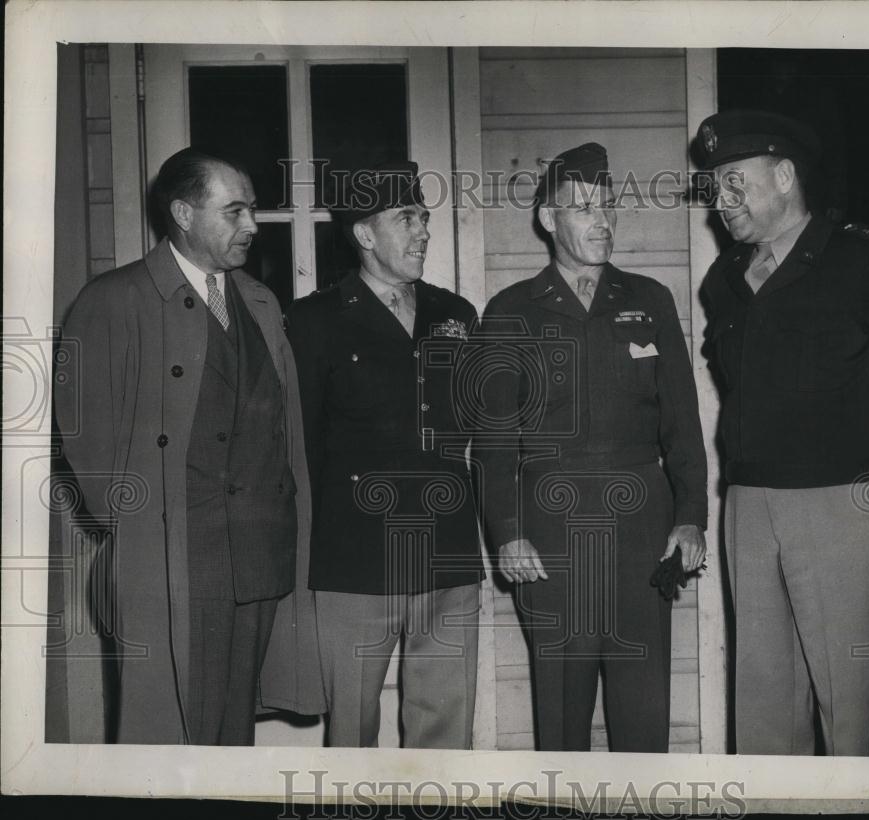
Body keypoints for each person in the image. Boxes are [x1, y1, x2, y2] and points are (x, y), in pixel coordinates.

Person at [695, 109, 869, 755]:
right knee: (762, 698)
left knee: (845, 694)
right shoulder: (724, 278)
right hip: (747, 503)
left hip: (836, 499)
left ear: (784, 176)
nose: (721, 199)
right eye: (715, 185)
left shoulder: (856, 258)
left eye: (734, 181)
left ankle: (845, 799)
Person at [53, 147, 322, 745]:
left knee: (233, 730)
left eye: (252, 210)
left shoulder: (259, 301)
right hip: (176, 554)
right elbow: (84, 431)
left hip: (259, 552)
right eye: (234, 211)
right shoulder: (115, 299)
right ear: (183, 213)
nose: (252, 225)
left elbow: (286, 432)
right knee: (176, 736)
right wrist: (139, 530)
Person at [472, 142, 708, 752]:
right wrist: (508, 533)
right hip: (550, 528)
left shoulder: (649, 299)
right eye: (583, 209)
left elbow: (683, 423)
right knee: (560, 703)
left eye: (608, 207)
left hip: (641, 526)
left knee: (643, 704)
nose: (602, 221)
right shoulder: (511, 311)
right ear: (548, 219)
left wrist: (690, 517)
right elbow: (493, 442)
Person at [286, 160, 483, 749]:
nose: (423, 232)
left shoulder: (455, 314)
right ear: (364, 234)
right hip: (355, 558)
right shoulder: (314, 320)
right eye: (406, 219)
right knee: (352, 731)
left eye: (424, 217)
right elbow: (300, 447)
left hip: (446, 552)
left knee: (446, 729)